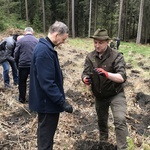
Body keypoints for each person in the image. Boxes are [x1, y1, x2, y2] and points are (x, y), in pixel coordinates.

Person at [29, 21, 73, 150]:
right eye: (63, 39)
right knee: (45, 138)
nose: (63, 42)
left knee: (46, 136)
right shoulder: (44, 51)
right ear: (56, 34)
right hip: (47, 103)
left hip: (47, 102)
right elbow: (47, 82)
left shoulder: (45, 48)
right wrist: (62, 102)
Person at [82, 28, 128, 150]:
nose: (97, 45)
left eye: (100, 43)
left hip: (115, 94)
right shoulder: (90, 57)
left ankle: (122, 147)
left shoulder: (116, 56)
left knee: (120, 120)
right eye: (95, 42)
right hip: (99, 96)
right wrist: (85, 79)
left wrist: (107, 74)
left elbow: (122, 77)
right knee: (102, 121)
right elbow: (85, 73)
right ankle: (103, 144)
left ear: (107, 42)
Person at [14, 27, 38, 103]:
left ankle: (22, 99)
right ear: (32, 32)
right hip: (33, 65)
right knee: (34, 83)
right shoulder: (37, 41)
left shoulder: (20, 40)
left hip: (23, 65)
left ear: (25, 32)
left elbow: (16, 53)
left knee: (22, 82)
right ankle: (34, 99)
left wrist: (17, 63)